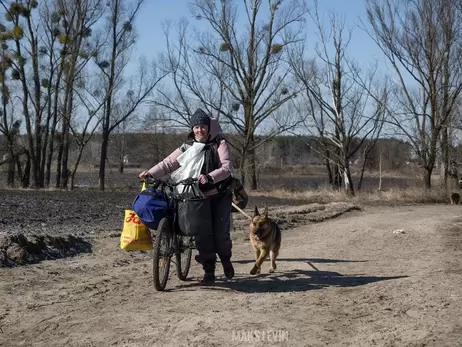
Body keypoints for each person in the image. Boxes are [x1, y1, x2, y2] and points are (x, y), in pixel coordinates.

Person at [138, 108, 234, 285]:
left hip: (217, 195)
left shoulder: (219, 144)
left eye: (203, 127)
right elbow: (168, 163)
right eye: (196, 127)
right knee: (201, 233)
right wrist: (150, 173)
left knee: (220, 235)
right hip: (196, 197)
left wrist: (210, 177)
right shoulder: (188, 146)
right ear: (192, 129)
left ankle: (226, 260)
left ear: (209, 128)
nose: (200, 131)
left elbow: (226, 168)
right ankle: (209, 271)